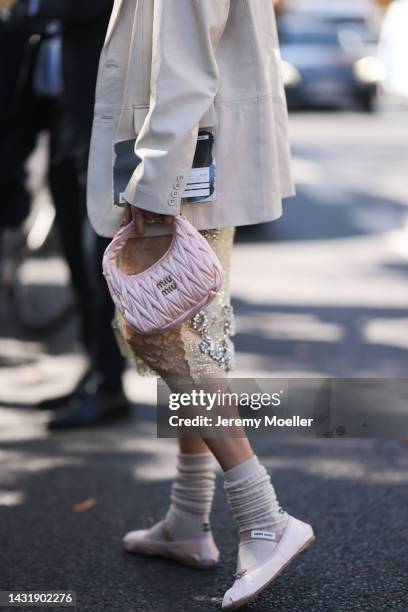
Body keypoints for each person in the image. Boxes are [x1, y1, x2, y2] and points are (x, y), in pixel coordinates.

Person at [87, 1, 315, 609]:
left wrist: (156, 185)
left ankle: (264, 519)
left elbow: (186, 69)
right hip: (195, 157)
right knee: (188, 328)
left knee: (163, 334)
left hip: (181, 164)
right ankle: (188, 520)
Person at [3, 0, 129, 428]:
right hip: (60, 124)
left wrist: (26, 9)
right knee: (78, 266)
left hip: (98, 125)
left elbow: (74, 8)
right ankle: (92, 374)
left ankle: (109, 385)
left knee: (99, 266)